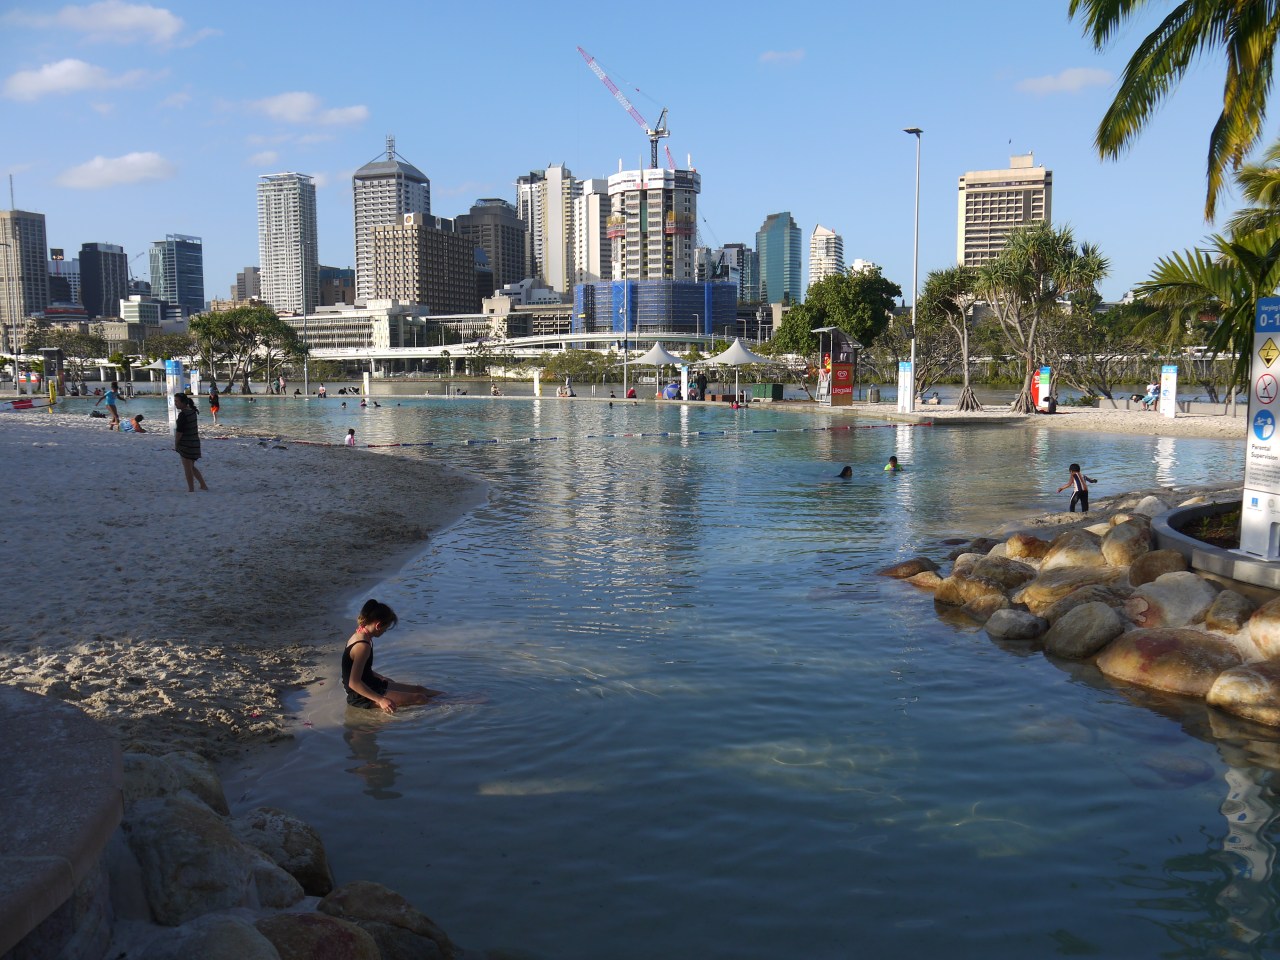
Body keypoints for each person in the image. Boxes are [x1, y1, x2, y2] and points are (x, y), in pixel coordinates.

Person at [341, 599, 440, 714]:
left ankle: (454, 697)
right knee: (420, 698)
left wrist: (380, 677)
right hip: (360, 696)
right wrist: (381, 700)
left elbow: (362, 670)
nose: (385, 631)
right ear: (378, 625)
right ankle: (451, 705)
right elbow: (353, 683)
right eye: (386, 628)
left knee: (419, 689)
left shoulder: (360, 634)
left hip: (371, 683)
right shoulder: (362, 646)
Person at [172, 393, 208, 492]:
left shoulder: (183, 414)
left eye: (177, 401)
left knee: (187, 468)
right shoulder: (192, 411)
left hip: (187, 444)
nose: (175, 403)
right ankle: (203, 485)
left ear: (183, 402)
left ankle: (191, 489)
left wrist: (176, 444)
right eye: (175, 401)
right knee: (191, 467)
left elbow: (179, 433)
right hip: (194, 442)